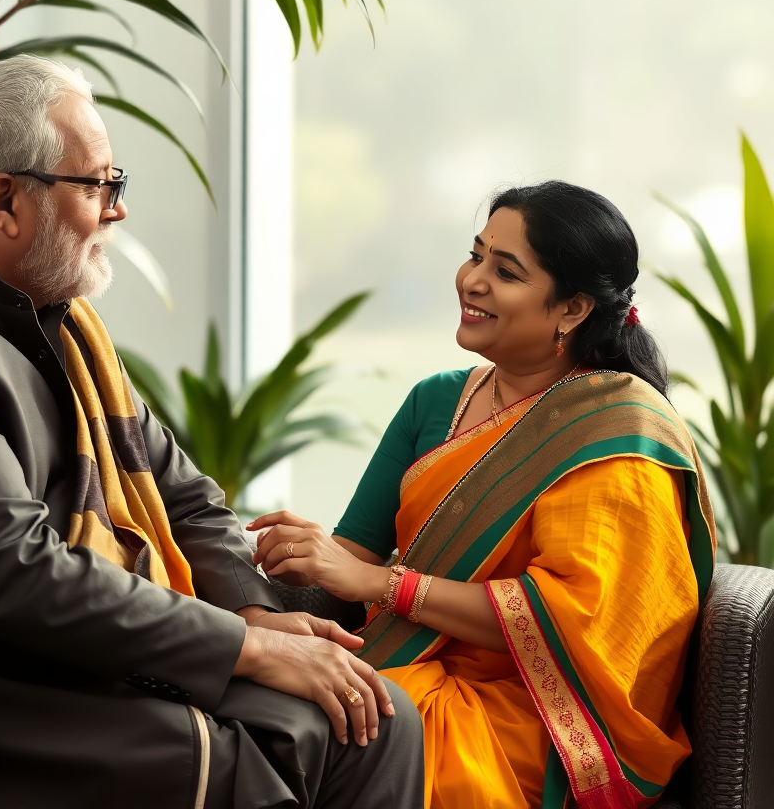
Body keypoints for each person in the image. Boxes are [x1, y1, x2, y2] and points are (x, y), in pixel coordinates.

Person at [0, 55, 424, 809]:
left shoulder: (53, 315)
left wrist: (256, 614)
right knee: (279, 747)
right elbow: (10, 574)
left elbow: (181, 492)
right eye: (98, 184)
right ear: (5, 200)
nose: (118, 209)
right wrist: (246, 652)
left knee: (370, 716)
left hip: (52, 650)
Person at [250, 182, 716, 809]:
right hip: (407, 667)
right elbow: (349, 556)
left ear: (572, 309)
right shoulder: (435, 400)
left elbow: (570, 618)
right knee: (253, 706)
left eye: (506, 271)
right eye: (476, 255)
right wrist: (282, 585)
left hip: (539, 718)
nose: (472, 280)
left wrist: (384, 585)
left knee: (311, 730)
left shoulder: (618, 431)